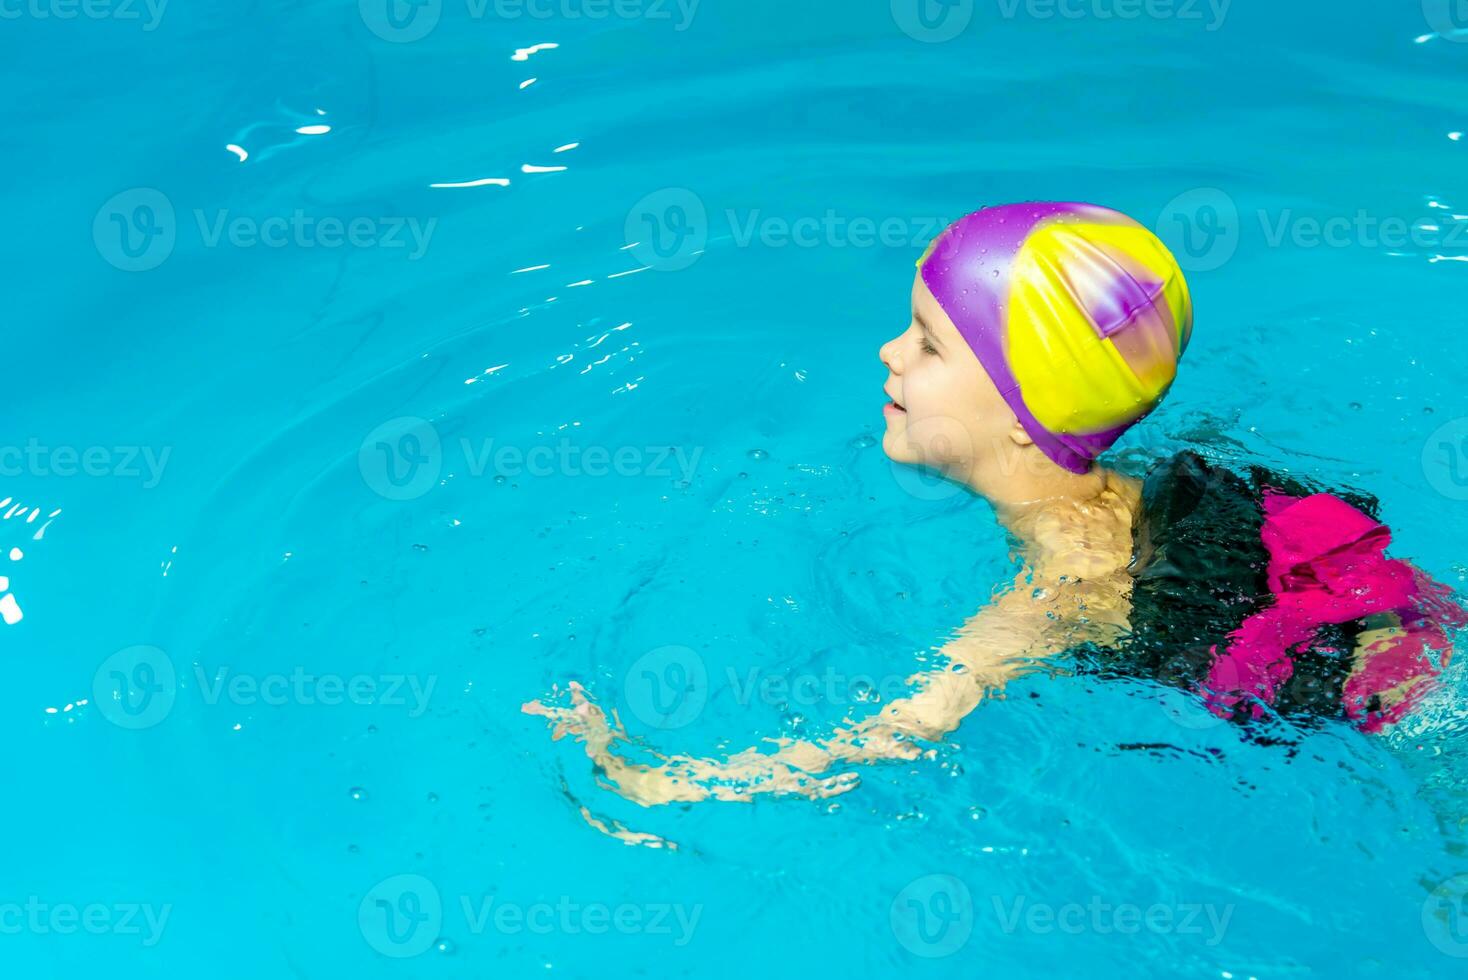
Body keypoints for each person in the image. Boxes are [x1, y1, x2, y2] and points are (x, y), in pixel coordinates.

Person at [524, 202, 1465, 807]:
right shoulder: (1147, 481)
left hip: (1409, 708)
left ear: (1024, 416)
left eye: (929, 344)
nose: (889, 354)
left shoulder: (1069, 577)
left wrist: (663, 783)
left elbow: (894, 735)